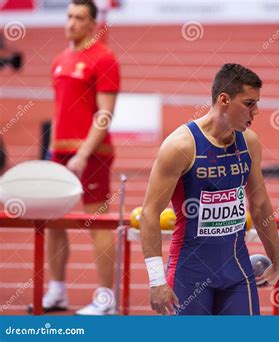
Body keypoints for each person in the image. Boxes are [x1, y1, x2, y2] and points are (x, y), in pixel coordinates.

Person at [140, 63, 279, 315]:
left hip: (237, 271)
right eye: (249, 103)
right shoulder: (181, 146)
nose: (256, 111)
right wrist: (156, 281)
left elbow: (260, 205)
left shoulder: (249, 143)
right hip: (190, 273)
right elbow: (150, 214)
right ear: (224, 100)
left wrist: (277, 257)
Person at [31, 0, 120, 315]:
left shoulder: (104, 59)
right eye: (69, 16)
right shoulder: (59, 60)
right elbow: (59, 113)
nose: (71, 23)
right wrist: (51, 152)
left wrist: (83, 154)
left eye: (79, 17)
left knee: (98, 224)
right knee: (52, 221)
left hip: (93, 153)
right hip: (60, 152)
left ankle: (106, 300)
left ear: (93, 23)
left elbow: (105, 115)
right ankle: (56, 291)